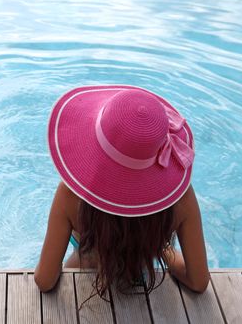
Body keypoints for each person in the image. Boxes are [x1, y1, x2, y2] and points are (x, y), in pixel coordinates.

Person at [34, 85, 210, 298]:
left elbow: (45, 280)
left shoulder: (71, 195)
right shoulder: (180, 198)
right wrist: (159, 248)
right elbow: (198, 281)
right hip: (144, 278)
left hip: (85, 277)